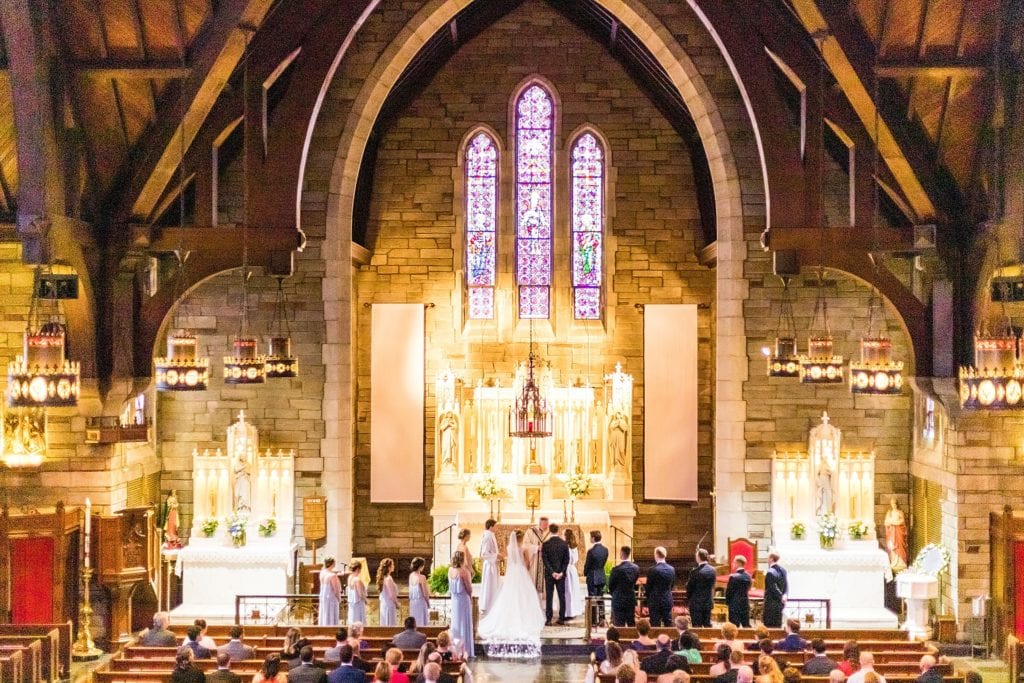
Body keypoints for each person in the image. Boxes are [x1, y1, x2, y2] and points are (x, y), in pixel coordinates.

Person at [477, 529, 545, 657]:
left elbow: (509, 562)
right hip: (521, 572)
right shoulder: (522, 549)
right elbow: (526, 562)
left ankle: (511, 613)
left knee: (509, 596)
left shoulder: (509, 548)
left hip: (512, 573)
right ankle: (522, 615)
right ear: (520, 539)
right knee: (524, 596)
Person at [542, 523, 571, 625]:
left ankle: (548, 619)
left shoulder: (545, 544)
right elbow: (566, 560)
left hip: (550, 575)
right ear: (558, 530)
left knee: (549, 597)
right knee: (561, 596)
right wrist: (561, 572)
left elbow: (545, 561)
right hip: (561, 575)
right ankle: (561, 618)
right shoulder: (564, 544)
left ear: (549, 530)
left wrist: (552, 572)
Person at [447, 550, 474, 658]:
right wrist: (471, 597)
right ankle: (465, 649)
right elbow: (469, 588)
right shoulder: (464, 571)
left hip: (454, 600)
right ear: (462, 559)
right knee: (464, 622)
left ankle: (456, 648)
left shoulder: (450, 570)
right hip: (463, 599)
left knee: (456, 622)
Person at [609, 546, 640, 626]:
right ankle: (632, 638)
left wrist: (614, 593)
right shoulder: (636, 568)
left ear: (621, 554)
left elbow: (611, 585)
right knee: (631, 622)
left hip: (618, 598)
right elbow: (634, 581)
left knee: (619, 624)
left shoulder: (616, 569)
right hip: (630, 598)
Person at [646, 546, 676, 627]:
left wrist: (649, 597)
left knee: (655, 624)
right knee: (668, 623)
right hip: (667, 599)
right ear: (665, 555)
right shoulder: (672, 569)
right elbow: (672, 584)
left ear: (656, 555)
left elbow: (648, 587)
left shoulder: (652, 570)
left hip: (654, 600)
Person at [686, 549, 717, 627]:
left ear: (699, 557)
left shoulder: (695, 572)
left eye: (696, 556)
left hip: (696, 603)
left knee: (697, 627)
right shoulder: (713, 570)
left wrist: (689, 599)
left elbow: (689, 588)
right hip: (708, 602)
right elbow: (713, 585)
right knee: (707, 626)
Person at [584, 530, 609, 624]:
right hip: (601, 575)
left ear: (593, 538)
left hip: (592, 576)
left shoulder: (591, 551)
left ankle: (593, 620)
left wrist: (585, 573)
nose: (590, 539)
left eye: (590, 537)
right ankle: (602, 618)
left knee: (592, 599)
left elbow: (588, 565)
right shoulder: (605, 550)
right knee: (601, 598)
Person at [526, 516, 552, 593]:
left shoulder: (550, 532)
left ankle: (545, 597)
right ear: (540, 523)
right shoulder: (530, 532)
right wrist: (537, 547)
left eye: (547, 525)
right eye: (544, 525)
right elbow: (525, 545)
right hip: (535, 560)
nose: (546, 527)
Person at [478, 519, 500, 613]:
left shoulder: (491, 535)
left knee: (493, 585)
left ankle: (491, 604)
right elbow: (484, 554)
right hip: (489, 565)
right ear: (491, 526)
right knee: (489, 585)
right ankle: (486, 605)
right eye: (496, 526)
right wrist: (496, 556)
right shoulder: (487, 536)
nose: (497, 528)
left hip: (492, 564)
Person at [725, 555, 752, 627]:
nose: (733, 564)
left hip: (734, 605)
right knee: (746, 626)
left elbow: (729, 592)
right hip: (745, 604)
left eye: (734, 562)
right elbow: (749, 588)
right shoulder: (748, 576)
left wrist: (727, 602)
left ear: (738, 563)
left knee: (734, 627)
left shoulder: (733, 577)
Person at [564, 528, 584, 619]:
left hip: (567, 569)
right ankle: (574, 610)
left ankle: (568, 612)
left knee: (568, 591)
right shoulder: (574, 546)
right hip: (572, 569)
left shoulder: (565, 546)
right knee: (573, 590)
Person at [763, 553, 788, 628]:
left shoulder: (770, 572)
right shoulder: (783, 570)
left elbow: (773, 587)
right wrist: (785, 595)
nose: (767, 560)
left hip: (771, 602)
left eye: (768, 558)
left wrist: (780, 596)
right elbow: (786, 584)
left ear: (771, 558)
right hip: (780, 602)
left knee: (770, 624)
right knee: (778, 624)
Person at [884, 498, 908, 569]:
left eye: (895, 503)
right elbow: (886, 523)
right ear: (891, 504)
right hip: (891, 533)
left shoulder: (900, 512)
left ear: (897, 504)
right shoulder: (889, 513)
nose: (894, 504)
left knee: (900, 546)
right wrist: (893, 522)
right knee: (892, 547)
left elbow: (902, 522)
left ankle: (901, 563)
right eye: (892, 503)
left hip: (899, 532)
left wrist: (893, 522)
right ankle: (893, 562)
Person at [319, 558, 343, 625]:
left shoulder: (322, 572)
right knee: (331, 614)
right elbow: (336, 589)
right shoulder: (332, 575)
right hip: (331, 598)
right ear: (332, 564)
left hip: (324, 597)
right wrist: (339, 598)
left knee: (325, 613)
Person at [408, 557, 431, 627]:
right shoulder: (422, 577)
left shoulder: (411, 575)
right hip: (420, 603)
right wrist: (428, 603)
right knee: (421, 622)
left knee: (414, 621)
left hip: (413, 603)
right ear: (420, 566)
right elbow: (425, 593)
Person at [377, 558, 399, 626]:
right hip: (389, 605)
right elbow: (391, 594)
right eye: (392, 565)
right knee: (390, 624)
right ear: (389, 567)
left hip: (385, 604)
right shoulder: (388, 578)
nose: (394, 566)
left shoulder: (383, 577)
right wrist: (397, 603)